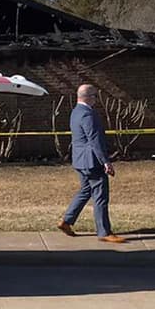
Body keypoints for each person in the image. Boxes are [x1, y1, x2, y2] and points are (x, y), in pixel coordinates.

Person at [58, 84, 125, 243]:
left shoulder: (76, 112)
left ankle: (67, 221)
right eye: (94, 96)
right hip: (91, 161)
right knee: (100, 196)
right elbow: (94, 139)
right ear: (87, 97)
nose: (96, 99)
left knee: (86, 190)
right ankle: (104, 232)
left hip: (80, 160)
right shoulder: (87, 114)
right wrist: (105, 162)